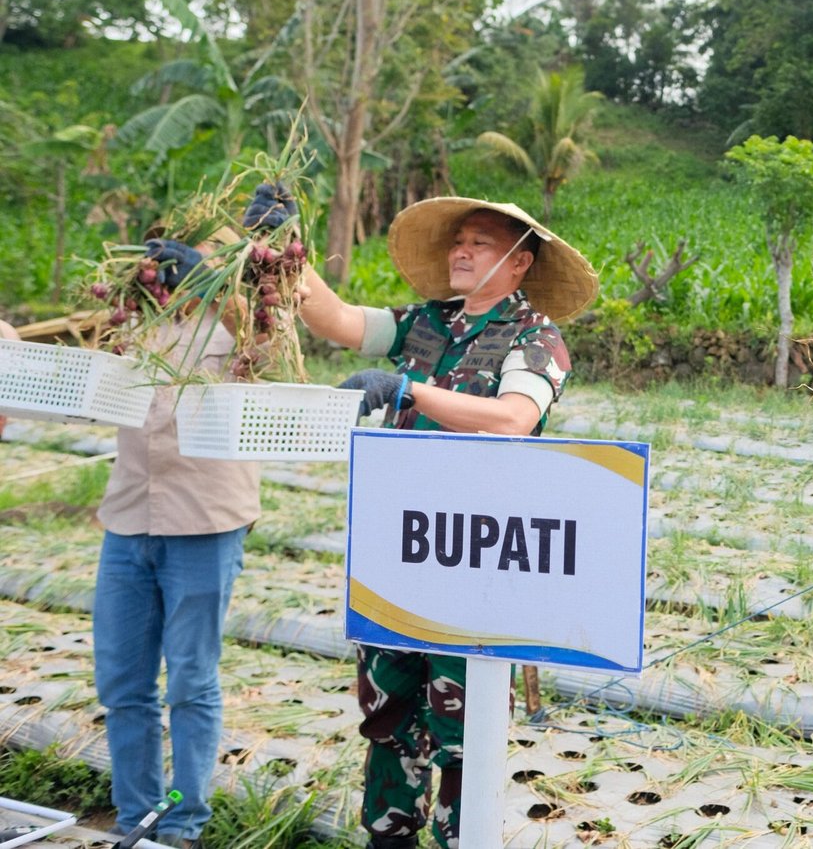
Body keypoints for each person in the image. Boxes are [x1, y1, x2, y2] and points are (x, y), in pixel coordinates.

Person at [294, 195, 597, 849]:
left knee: (465, 728)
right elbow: (337, 319)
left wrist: (408, 391)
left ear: (519, 263)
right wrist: (283, 246)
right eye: (458, 240)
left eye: (480, 242)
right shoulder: (424, 323)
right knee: (388, 713)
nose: (461, 250)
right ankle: (390, 834)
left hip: (476, 564)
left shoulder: (534, 337)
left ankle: (465, 837)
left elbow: (515, 417)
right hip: (401, 554)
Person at [0, 197, 281, 847]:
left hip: (205, 521)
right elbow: (61, 377)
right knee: (123, 682)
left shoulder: (240, 329)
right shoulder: (130, 329)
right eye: (165, 255)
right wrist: (11, 345)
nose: (172, 268)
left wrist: (245, 270)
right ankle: (135, 818)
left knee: (190, 677)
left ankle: (182, 823)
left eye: (196, 254)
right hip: (127, 520)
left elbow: (274, 337)